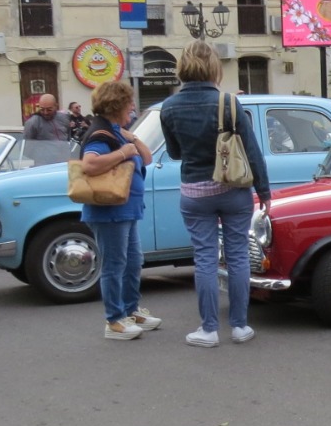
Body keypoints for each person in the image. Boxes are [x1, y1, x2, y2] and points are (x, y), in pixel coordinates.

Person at [160, 40, 271, 347]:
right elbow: (252, 151)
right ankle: (239, 326)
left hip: (195, 192)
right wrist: (264, 190)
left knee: (205, 258)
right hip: (233, 189)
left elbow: (174, 152)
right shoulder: (229, 103)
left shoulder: (169, 107)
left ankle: (208, 330)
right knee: (238, 256)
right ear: (214, 67)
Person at [79, 80, 160, 340]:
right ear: (116, 105)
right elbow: (89, 165)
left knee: (133, 262)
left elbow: (147, 157)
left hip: (125, 210)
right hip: (110, 212)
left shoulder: (116, 131)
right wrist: (124, 152)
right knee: (115, 265)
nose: (133, 107)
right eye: (129, 103)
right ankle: (114, 320)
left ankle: (130, 310)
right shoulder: (100, 134)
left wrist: (132, 139)